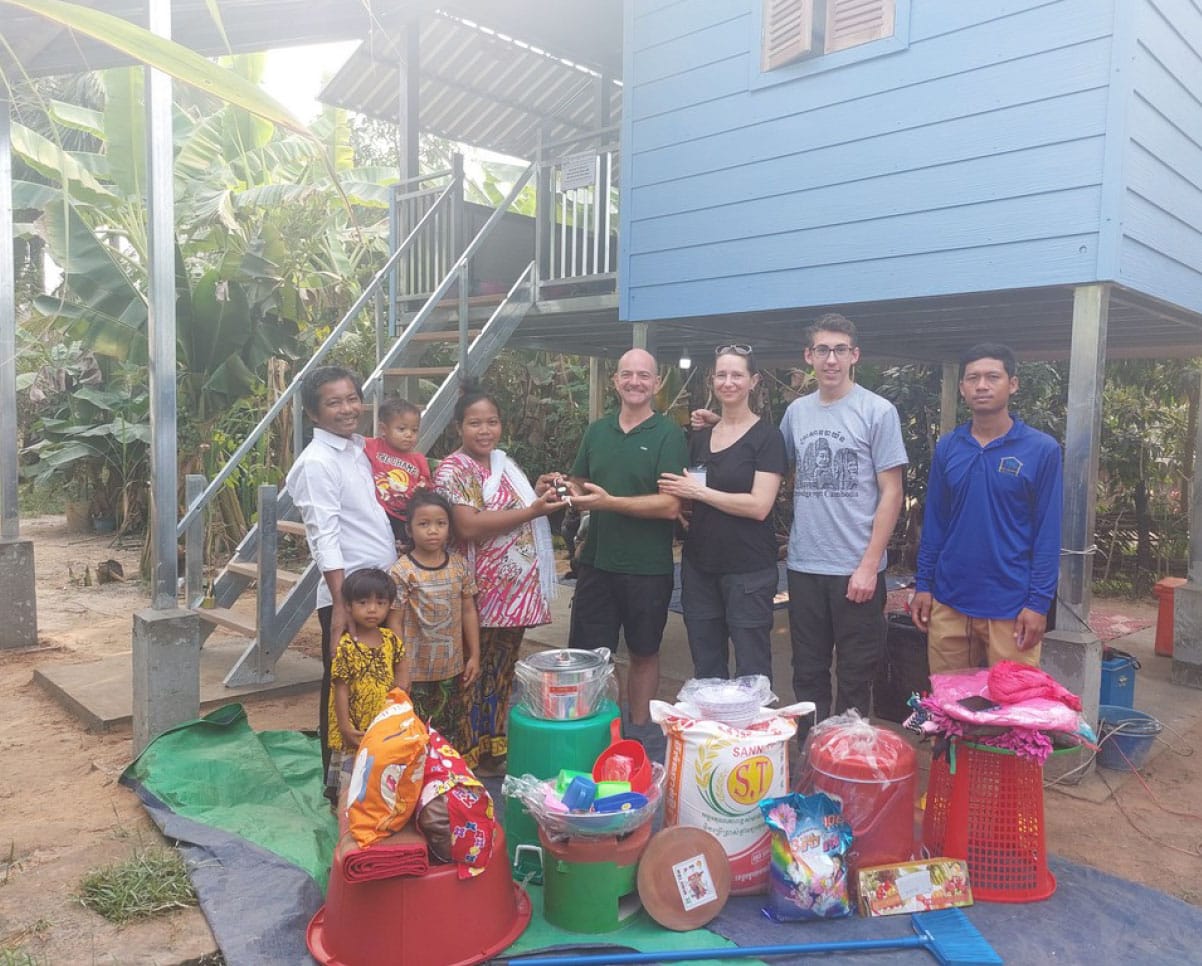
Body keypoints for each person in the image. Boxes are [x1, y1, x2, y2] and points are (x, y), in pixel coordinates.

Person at [540, 348, 689, 756]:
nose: (635, 382)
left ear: (656, 383)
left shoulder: (668, 435)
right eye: (628, 374)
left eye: (644, 375)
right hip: (597, 562)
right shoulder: (598, 431)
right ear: (615, 381)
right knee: (589, 656)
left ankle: (638, 734)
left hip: (647, 566)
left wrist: (607, 503)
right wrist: (558, 487)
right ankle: (592, 733)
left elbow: (670, 505)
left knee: (643, 651)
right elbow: (579, 483)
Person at [778, 314, 907, 729]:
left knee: (855, 675)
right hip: (804, 565)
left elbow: (892, 492)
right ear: (808, 356)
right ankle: (812, 756)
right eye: (822, 350)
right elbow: (768, 466)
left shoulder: (877, 411)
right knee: (808, 672)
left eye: (839, 350)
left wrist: (869, 565)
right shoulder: (796, 412)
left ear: (855, 355)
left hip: (856, 569)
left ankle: (847, 764)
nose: (830, 359)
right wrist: (716, 428)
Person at [434, 382, 563, 772]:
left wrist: (537, 491)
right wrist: (533, 511)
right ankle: (461, 752)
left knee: (501, 671)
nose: (485, 430)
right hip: (478, 593)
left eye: (492, 422)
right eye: (475, 423)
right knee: (470, 671)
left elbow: (512, 504)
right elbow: (468, 526)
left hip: (516, 594)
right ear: (459, 427)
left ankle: (493, 744)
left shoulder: (504, 463)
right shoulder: (453, 469)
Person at [911, 343, 1062, 671]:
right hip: (949, 602)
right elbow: (935, 523)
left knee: (1012, 710)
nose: (982, 385)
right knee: (950, 708)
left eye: (993, 376)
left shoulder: (1041, 450)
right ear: (962, 387)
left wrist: (1039, 604)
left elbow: (1047, 535)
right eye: (973, 378)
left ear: (1013, 384)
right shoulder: (949, 447)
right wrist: (923, 586)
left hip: (1011, 607)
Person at [286, 365, 398, 799]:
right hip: (349, 597)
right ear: (314, 413)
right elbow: (323, 535)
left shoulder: (355, 449)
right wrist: (340, 608)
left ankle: (377, 777)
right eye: (334, 402)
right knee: (344, 691)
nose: (348, 408)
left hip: (379, 591)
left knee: (378, 687)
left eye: (352, 398)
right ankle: (339, 786)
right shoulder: (316, 463)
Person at [659, 344, 786, 682]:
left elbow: (760, 506)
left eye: (737, 375)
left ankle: (755, 735)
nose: (729, 382)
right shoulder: (700, 438)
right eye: (722, 375)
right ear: (712, 380)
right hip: (700, 567)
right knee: (706, 667)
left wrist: (699, 492)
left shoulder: (767, 438)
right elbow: (689, 495)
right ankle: (713, 735)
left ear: (753, 381)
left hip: (748, 572)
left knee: (752, 670)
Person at [389, 489, 481, 751]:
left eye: (440, 524)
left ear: (449, 528)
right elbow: (394, 621)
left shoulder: (459, 566)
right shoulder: (402, 571)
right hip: (414, 673)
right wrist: (401, 666)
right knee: (414, 735)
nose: (433, 531)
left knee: (448, 735)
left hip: (451, 669)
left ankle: (447, 786)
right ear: (409, 529)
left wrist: (474, 655)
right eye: (424, 524)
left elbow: (468, 610)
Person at [327, 567, 408, 801]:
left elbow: (401, 667)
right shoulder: (347, 646)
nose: (372, 609)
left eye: (380, 603)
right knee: (350, 782)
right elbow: (340, 688)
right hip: (355, 726)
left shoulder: (390, 640)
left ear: (389, 605)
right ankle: (348, 825)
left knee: (378, 776)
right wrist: (345, 726)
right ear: (349, 607)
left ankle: (374, 816)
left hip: (381, 724)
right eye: (363, 603)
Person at [365, 396, 432, 549]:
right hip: (381, 514)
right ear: (383, 429)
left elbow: (426, 484)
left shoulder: (418, 459)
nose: (409, 434)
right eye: (401, 429)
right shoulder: (372, 446)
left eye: (414, 430)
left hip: (406, 516)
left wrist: (421, 489)